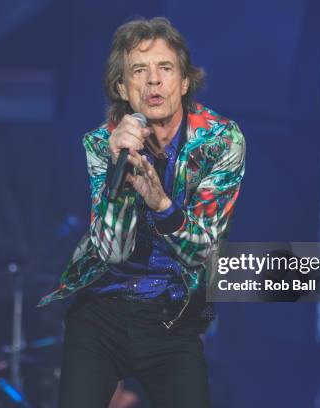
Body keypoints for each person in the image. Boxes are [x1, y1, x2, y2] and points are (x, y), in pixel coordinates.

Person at [38, 17, 245, 408]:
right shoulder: (101, 143)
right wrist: (119, 161)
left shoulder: (221, 140)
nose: (153, 81)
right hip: (101, 311)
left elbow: (204, 250)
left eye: (165, 68)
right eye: (139, 71)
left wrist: (162, 205)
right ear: (122, 88)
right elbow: (112, 250)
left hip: (172, 313)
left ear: (184, 82)